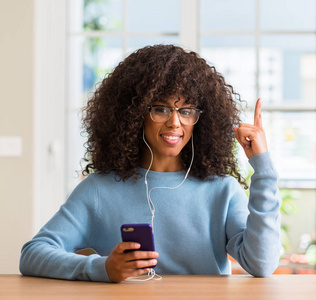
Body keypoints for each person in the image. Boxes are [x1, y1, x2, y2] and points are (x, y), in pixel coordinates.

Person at [20, 44, 281, 283]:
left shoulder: (222, 190)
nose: (175, 122)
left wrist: (263, 168)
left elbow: (262, 263)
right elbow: (32, 254)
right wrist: (103, 268)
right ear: (134, 115)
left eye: (186, 111)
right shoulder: (99, 189)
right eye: (161, 108)